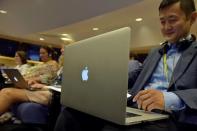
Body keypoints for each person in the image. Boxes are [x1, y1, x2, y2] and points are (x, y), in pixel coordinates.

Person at [54, 0, 197, 131]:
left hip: (171, 117)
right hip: (137, 109)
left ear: (192, 18)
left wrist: (169, 98)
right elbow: (135, 75)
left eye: (172, 20)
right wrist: (101, 80)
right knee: (70, 114)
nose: (166, 27)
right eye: (162, 21)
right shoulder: (155, 52)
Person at [0, 46, 59, 117]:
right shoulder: (41, 64)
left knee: (6, 92)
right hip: (27, 82)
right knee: (5, 88)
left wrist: (33, 79)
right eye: (40, 53)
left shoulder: (53, 64)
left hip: (36, 86)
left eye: (43, 53)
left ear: (50, 54)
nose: (40, 55)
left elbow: (48, 77)